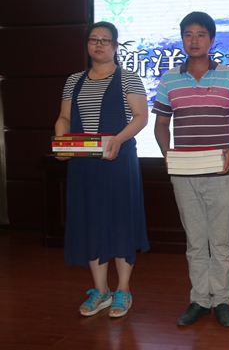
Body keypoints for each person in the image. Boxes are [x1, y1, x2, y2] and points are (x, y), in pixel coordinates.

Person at [153, 11, 229, 327]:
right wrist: (166, 153)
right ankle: (199, 300)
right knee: (195, 241)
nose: (194, 40)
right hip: (184, 174)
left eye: (201, 34)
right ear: (182, 39)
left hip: (221, 173)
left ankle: (221, 300)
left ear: (211, 40)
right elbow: (161, 124)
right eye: (188, 34)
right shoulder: (169, 79)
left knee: (220, 241)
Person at [55, 21, 150, 318]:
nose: (99, 44)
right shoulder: (74, 80)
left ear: (115, 46)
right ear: (87, 44)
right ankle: (101, 290)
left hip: (118, 161)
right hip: (84, 163)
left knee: (121, 222)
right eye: (93, 39)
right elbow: (64, 118)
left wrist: (118, 140)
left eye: (105, 40)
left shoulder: (128, 78)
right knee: (90, 221)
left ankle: (123, 290)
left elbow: (141, 116)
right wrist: (61, 142)